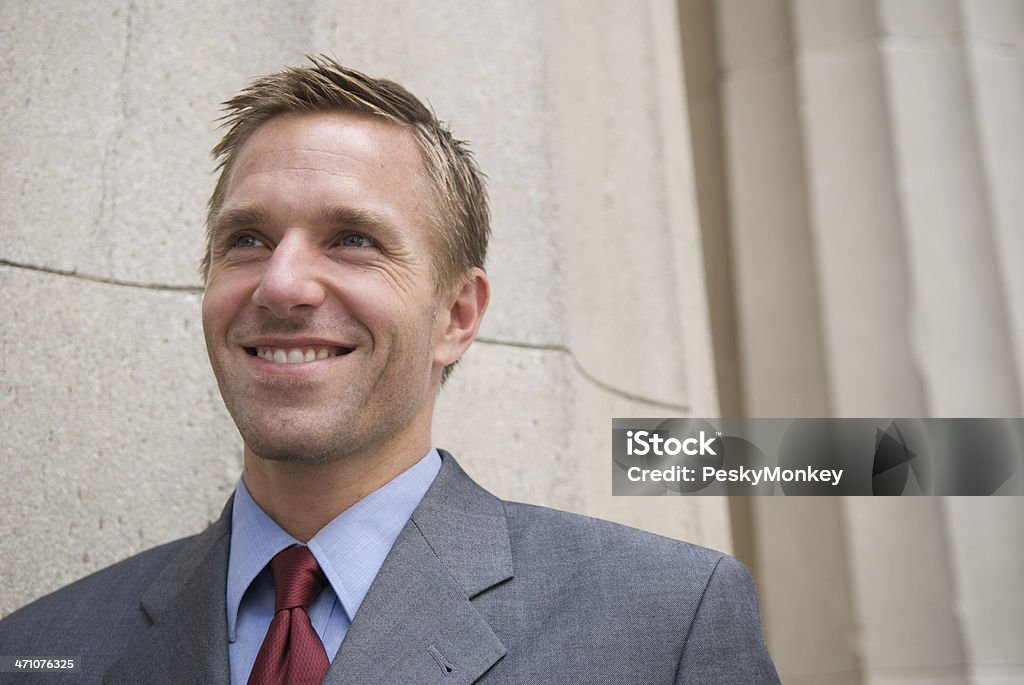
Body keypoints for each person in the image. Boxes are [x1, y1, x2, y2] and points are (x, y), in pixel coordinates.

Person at [0, 56, 779, 684]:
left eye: (352, 239)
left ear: (457, 316)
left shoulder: (664, 621)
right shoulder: (39, 648)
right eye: (247, 239)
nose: (281, 283)